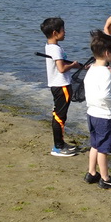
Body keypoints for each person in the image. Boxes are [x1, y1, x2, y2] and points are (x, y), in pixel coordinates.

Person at [84, 30, 111, 189]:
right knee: (103, 149)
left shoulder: (92, 68)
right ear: (108, 53)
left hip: (91, 113)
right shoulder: (105, 74)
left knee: (95, 144)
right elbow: (105, 95)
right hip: (104, 117)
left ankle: (91, 173)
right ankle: (105, 178)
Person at [40, 17, 83, 157]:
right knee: (60, 116)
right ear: (54, 32)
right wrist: (73, 65)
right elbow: (62, 68)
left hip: (58, 85)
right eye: (63, 30)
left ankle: (61, 143)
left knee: (59, 114)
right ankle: (58, 147)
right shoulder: (55, 49)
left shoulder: (50, 46)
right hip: (61, 85)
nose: (65, 32)